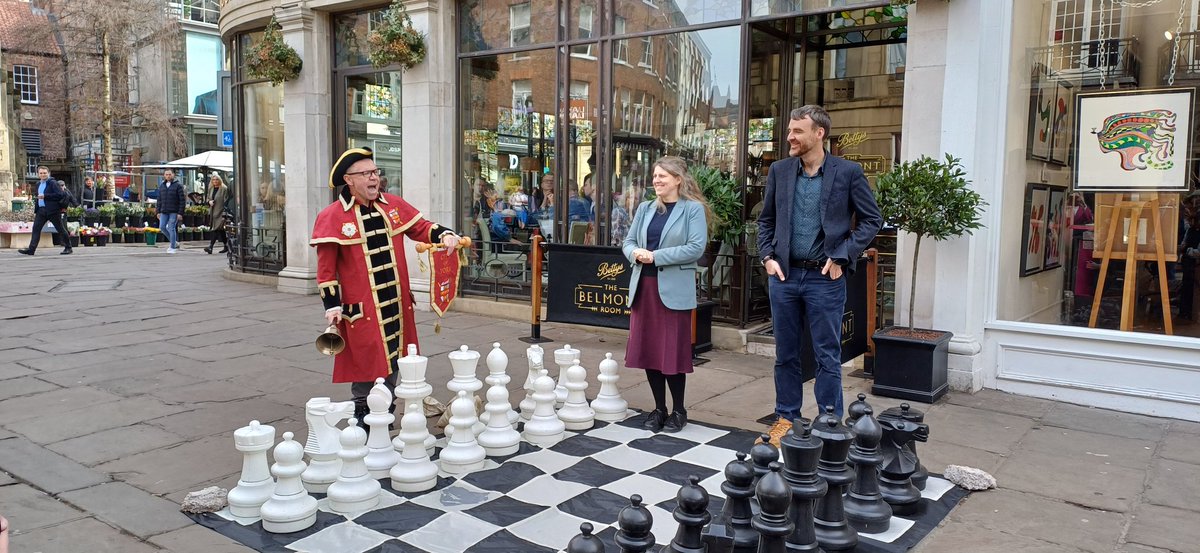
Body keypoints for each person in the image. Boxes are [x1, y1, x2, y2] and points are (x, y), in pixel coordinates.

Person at [756, 105, 882, 445]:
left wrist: (842, 255)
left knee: (827, 354)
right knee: (786, 354)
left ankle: (829, 425)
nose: (790, 137)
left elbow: (872, 219)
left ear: (819, 133)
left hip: (824, 279)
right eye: (790, 130)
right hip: (784, 277)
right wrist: (767, 257)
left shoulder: (847, 172)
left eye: (797, 131)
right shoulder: (780, 171)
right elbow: (766, 221)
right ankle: (786, 419)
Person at [311, 147, 462, 423]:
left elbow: (421, 227)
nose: (374, 178)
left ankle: (386, 414)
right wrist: (331, 306)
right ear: (349, 180)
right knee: (365, 362)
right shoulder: (332, 216)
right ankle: (364, 418)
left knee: (396, 357)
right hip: (363, 309)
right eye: (366, 173)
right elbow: (326, 270)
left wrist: (446, 234)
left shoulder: (392, 204)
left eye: (375, 172)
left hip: (397, 304)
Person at [622, 156, 710, 433]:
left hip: (673, 293)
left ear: (678, 180)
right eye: (655, 176)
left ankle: (679, 411)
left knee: (672, 353)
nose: (656, 180)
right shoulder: (646, 208)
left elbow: (695, 248)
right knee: (650, 351)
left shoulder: (692, 210)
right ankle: (659, 409)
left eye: (662, 176)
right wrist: (635, 253)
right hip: (644, 289)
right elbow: (628, 242)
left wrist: (655, 256)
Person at [18, 166, 72, 256]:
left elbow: (60, 194)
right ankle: (31, 249)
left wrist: (45, 196)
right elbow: (38, 195)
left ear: (48, 173)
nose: (43, 175)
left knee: (60, 229)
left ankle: (68, 247)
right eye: (41, 173)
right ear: (38, 174)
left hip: (52, 211)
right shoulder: (38, 184)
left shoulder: (53, 183)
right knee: (36, 229)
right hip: (41, 210)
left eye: (44, 173)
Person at [157, 169, 186, 253]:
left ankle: (172, 247)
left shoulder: (178, 186)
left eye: (170, 174)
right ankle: (174, 242)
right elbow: (159, 200)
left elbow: (182, 200)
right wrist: (158, 211)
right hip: (164, 211)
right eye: (166, 174)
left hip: (174, 211)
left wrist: (180, 213)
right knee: (162, 227)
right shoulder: (162, 186)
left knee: (171, 228)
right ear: (164, 175)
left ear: (173, 175)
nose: (168, 176)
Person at [204, 173, 233, 255]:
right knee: (220, 230)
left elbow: (226, 200)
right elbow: (208, 198)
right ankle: (226, 246)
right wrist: (209, 202)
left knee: (216, 229)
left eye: (217, 179)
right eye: (213, 180)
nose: (215, 181)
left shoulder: (224, 188)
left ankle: (210, 247)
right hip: (213, 212)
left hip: (221, 212)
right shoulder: (211, 188)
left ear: (220, 180)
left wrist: (225, 212)